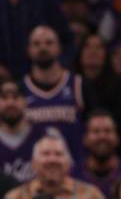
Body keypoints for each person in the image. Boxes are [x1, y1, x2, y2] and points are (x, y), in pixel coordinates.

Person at [22, 25, 97, 165]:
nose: (43, 48)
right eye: (36, 43)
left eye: (49, 43)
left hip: (75, 171)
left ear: (59, 48)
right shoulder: (19, 90)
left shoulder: (79, 85)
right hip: (29, 172)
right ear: (28, 50)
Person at [76, 109, 121, 199]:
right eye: (96, 131)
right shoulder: (74, 174)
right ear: (85, 138)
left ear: (117, 137)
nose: (102, 136)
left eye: (107, 131)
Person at [0, 79, 45, 183]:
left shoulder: (45, 137)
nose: (10, 103)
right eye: (4, 97)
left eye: (16, 97)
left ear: (25, 101)